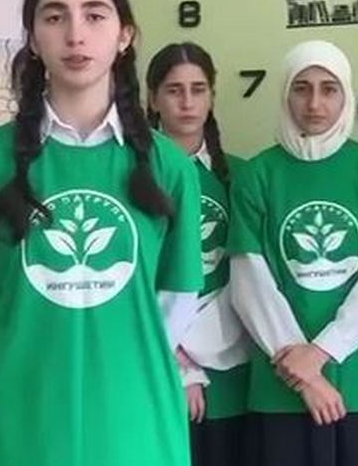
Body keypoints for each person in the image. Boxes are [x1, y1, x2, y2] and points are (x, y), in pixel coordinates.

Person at [0, 0, 203, 465]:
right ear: (34, 40)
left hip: (134, 419)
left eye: (95, 15)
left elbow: (177, 299)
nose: (76, 35)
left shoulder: (169, 166)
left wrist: (124, 363)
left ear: (124, 35)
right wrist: (11, 371)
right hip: (17, 423)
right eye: (55, 16)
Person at [229, 40, 358, 466]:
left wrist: (320, 353)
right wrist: (304, 375)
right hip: (281, 386)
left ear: (346, 94)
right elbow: (249, 283)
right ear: (285, 94)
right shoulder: (257, 175)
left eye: (329, 89)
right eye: (301, 88)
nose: (314, 103)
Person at [146, 42, 252, 465]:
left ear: (212, 96)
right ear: (152, 98)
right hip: (156, 359)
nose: (187, 102)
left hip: (232, 360)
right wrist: (180, 364)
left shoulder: (240, 176)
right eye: (174, 90)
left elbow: (251, 276)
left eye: (198, 89)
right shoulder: (130, 175)